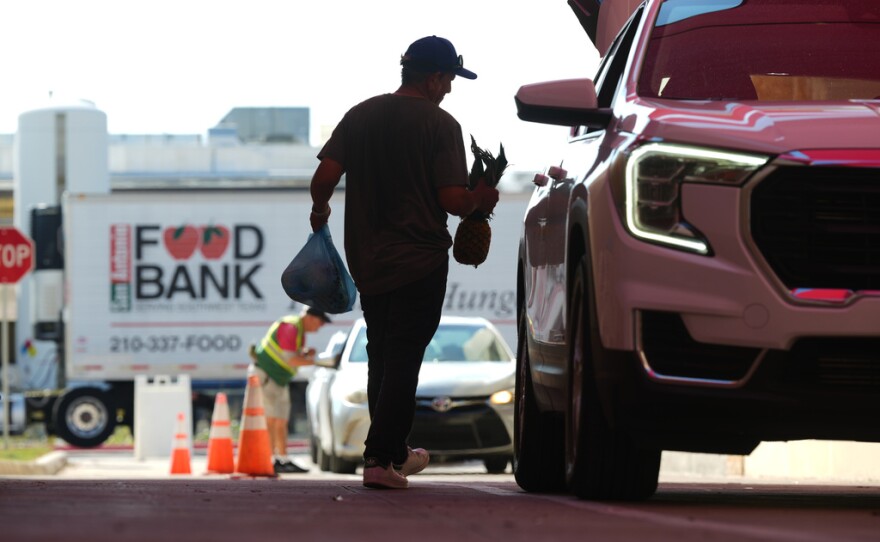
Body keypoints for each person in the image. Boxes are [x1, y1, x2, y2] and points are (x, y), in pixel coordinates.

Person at [308, 35, 499, 489]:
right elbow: (453, 200)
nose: (450, 88)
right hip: (419, 260)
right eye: (449, 79)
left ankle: (393, 454)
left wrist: (321, 212)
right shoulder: (440, 125)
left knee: (382, 354)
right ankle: (378, 459)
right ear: (433, 77)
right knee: (404, 357)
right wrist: (481, 198)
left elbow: (324, 179)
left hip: (368, 261)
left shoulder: (361, 115)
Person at [249, 306, 331, 474]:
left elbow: (289, 353)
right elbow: (292, 360)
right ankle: (270, 459)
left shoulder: (298, 330)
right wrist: (318, 362)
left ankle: (282, 459)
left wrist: (304, 353)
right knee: (271, 420)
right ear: (311, 317)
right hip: (268, 376)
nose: (320, 327)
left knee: (280, 421)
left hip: (278, 379)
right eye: (321, 322)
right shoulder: (291, 327)